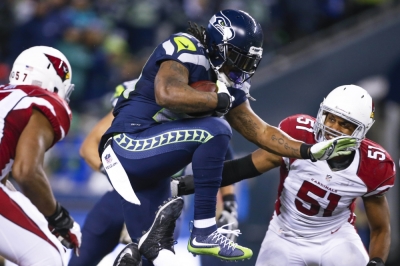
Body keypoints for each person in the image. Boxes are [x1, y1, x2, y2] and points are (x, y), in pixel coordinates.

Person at [100, 9, 357, 264]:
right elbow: (167, 93)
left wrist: (308, 150)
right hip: (128, 144)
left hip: (155, 168)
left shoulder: (227, 80)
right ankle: (203, 229)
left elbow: (260, 131)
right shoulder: (186, 47)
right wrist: (216, 99)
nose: (240, 67)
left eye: (248, 61)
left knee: (154, 254)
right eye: (236, 57)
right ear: (216, 44)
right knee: (217, 128)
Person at [176, 84, 395, 266]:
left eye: (345, 125)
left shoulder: (373, 166)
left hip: (336, 238)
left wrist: (376, 261)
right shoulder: (297, 136)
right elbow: (241, 169)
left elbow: (381, 228)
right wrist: (183, 185)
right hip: (284, 235)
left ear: (361, 131)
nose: (333, 128)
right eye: (330, 118)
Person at [71, 79, 240, 266]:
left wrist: (229, 205)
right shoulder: (143, 96)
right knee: (80, 260)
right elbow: (89, 146)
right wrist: (121, 178)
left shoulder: (210, 110)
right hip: (126, 198)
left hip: (166, 203)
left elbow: (222, 163)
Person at [0, 46, 81, 265]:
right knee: (50, 257)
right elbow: (26, 172)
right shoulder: (44, 101)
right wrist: (60, 219)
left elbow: (5, 178)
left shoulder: (4, 95)